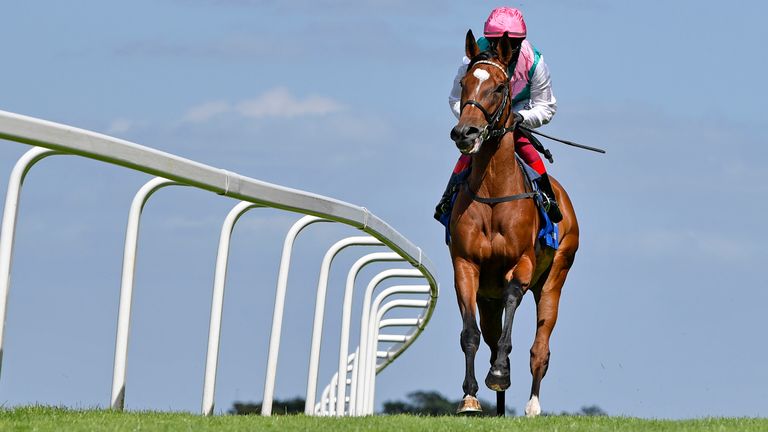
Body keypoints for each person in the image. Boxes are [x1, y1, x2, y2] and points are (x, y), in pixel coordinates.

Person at [435, 6, 563, 223]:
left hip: (516, 113)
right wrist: (473, 118)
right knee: (468, 154)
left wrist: (521, 118)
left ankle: (548, 198)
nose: (504, 48)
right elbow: (456, 99)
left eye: (513, 44)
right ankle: (447, 199)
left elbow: (546, 106)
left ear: (521, 41)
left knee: (526, 148)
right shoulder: (472, 60)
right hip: (482, 115)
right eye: (495, 42)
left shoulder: (535, 62)